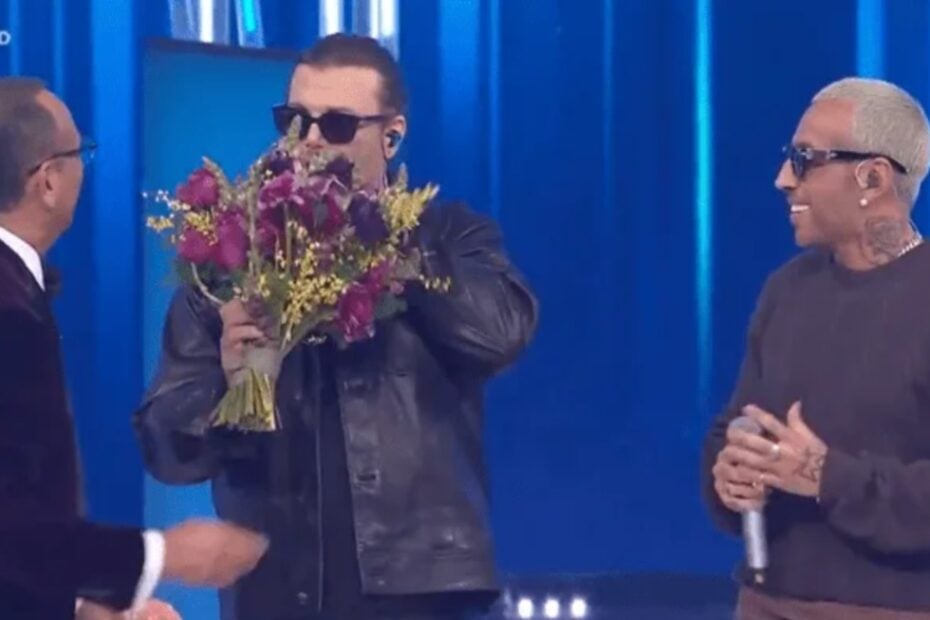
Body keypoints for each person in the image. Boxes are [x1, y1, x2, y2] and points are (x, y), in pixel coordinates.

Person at [134, 34, 538, 620]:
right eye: (295, 120)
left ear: (391, 136)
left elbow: (501, 334)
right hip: (277, 590)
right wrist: (227, 384)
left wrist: (392, 246)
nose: (311, 141)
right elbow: (167, 451)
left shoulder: (449, 236)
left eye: (338, 125)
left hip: (422, 594)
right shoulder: (234, 258)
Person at [0, 77, 268, 620]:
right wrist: (165, 554)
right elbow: (13, 524)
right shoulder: (9, 312)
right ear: (48, 180)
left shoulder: (18, 289)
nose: (85, 166)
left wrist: (79, 605)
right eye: (81, 152)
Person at [702, 77, 930, 619]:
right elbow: (736, 424)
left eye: (805, 159)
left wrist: (828, 477)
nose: (783, 179)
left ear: (872, 177)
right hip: (766, 602)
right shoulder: (787, 289)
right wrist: (729, 473)